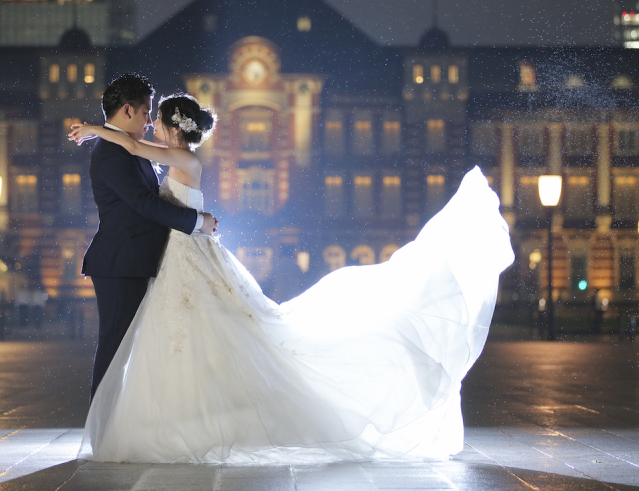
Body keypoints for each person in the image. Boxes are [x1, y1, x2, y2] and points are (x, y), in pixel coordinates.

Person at [68, 93, 514, 464]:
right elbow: (136, 156)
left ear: (175, 128)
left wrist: (93, 128)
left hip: (187, 254)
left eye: (158, 120)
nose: (151, 125)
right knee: (200, 333)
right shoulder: (179, 156)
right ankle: (184, 418)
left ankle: (182, 419)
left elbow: (133, 150)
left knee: (197, 332)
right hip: (185, 254)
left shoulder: (179, 157)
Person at [81, 74, 217, 402]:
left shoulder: (129, 148)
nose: (147, 122)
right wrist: (198, 221)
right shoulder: (113, 151)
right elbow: (145, 204)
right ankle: (102, 427)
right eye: (145, 113)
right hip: (120, 262)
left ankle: (121, 422)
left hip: (138, 259)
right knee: (116, 345)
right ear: (127, 110)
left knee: (134, 345)